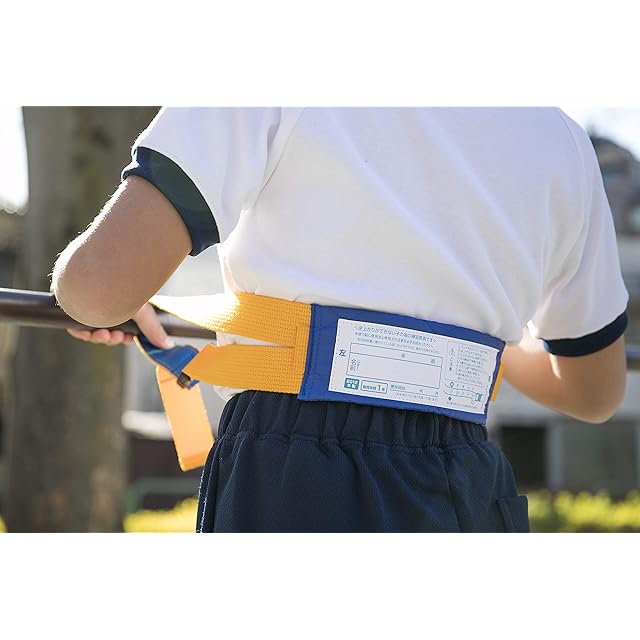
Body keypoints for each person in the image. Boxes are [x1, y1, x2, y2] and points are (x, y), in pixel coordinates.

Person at [51, 107, 629, 532]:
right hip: (470, 482)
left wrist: (109, 293)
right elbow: (594, 391)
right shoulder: (561, 140)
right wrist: (458, 355)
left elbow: (96, 288)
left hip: (296, 471)